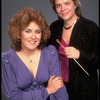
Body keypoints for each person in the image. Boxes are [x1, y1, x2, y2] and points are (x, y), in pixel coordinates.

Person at [1, 7, 69, 100]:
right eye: (28, 31)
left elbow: (59, 88)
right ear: (18, 34)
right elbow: (14, 97)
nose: (33, 37)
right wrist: (47, 91)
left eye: (37, 32)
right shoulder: (7, 60)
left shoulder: (50, 53)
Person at [47, 0, 99, 100]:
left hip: (84, 91)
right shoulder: (54, 27)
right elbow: (46, 56)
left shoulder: (90, 27)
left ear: (75, 4)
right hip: (59, 89)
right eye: (58, 5)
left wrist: (80, 54)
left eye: (67, 3)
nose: (63, 9)